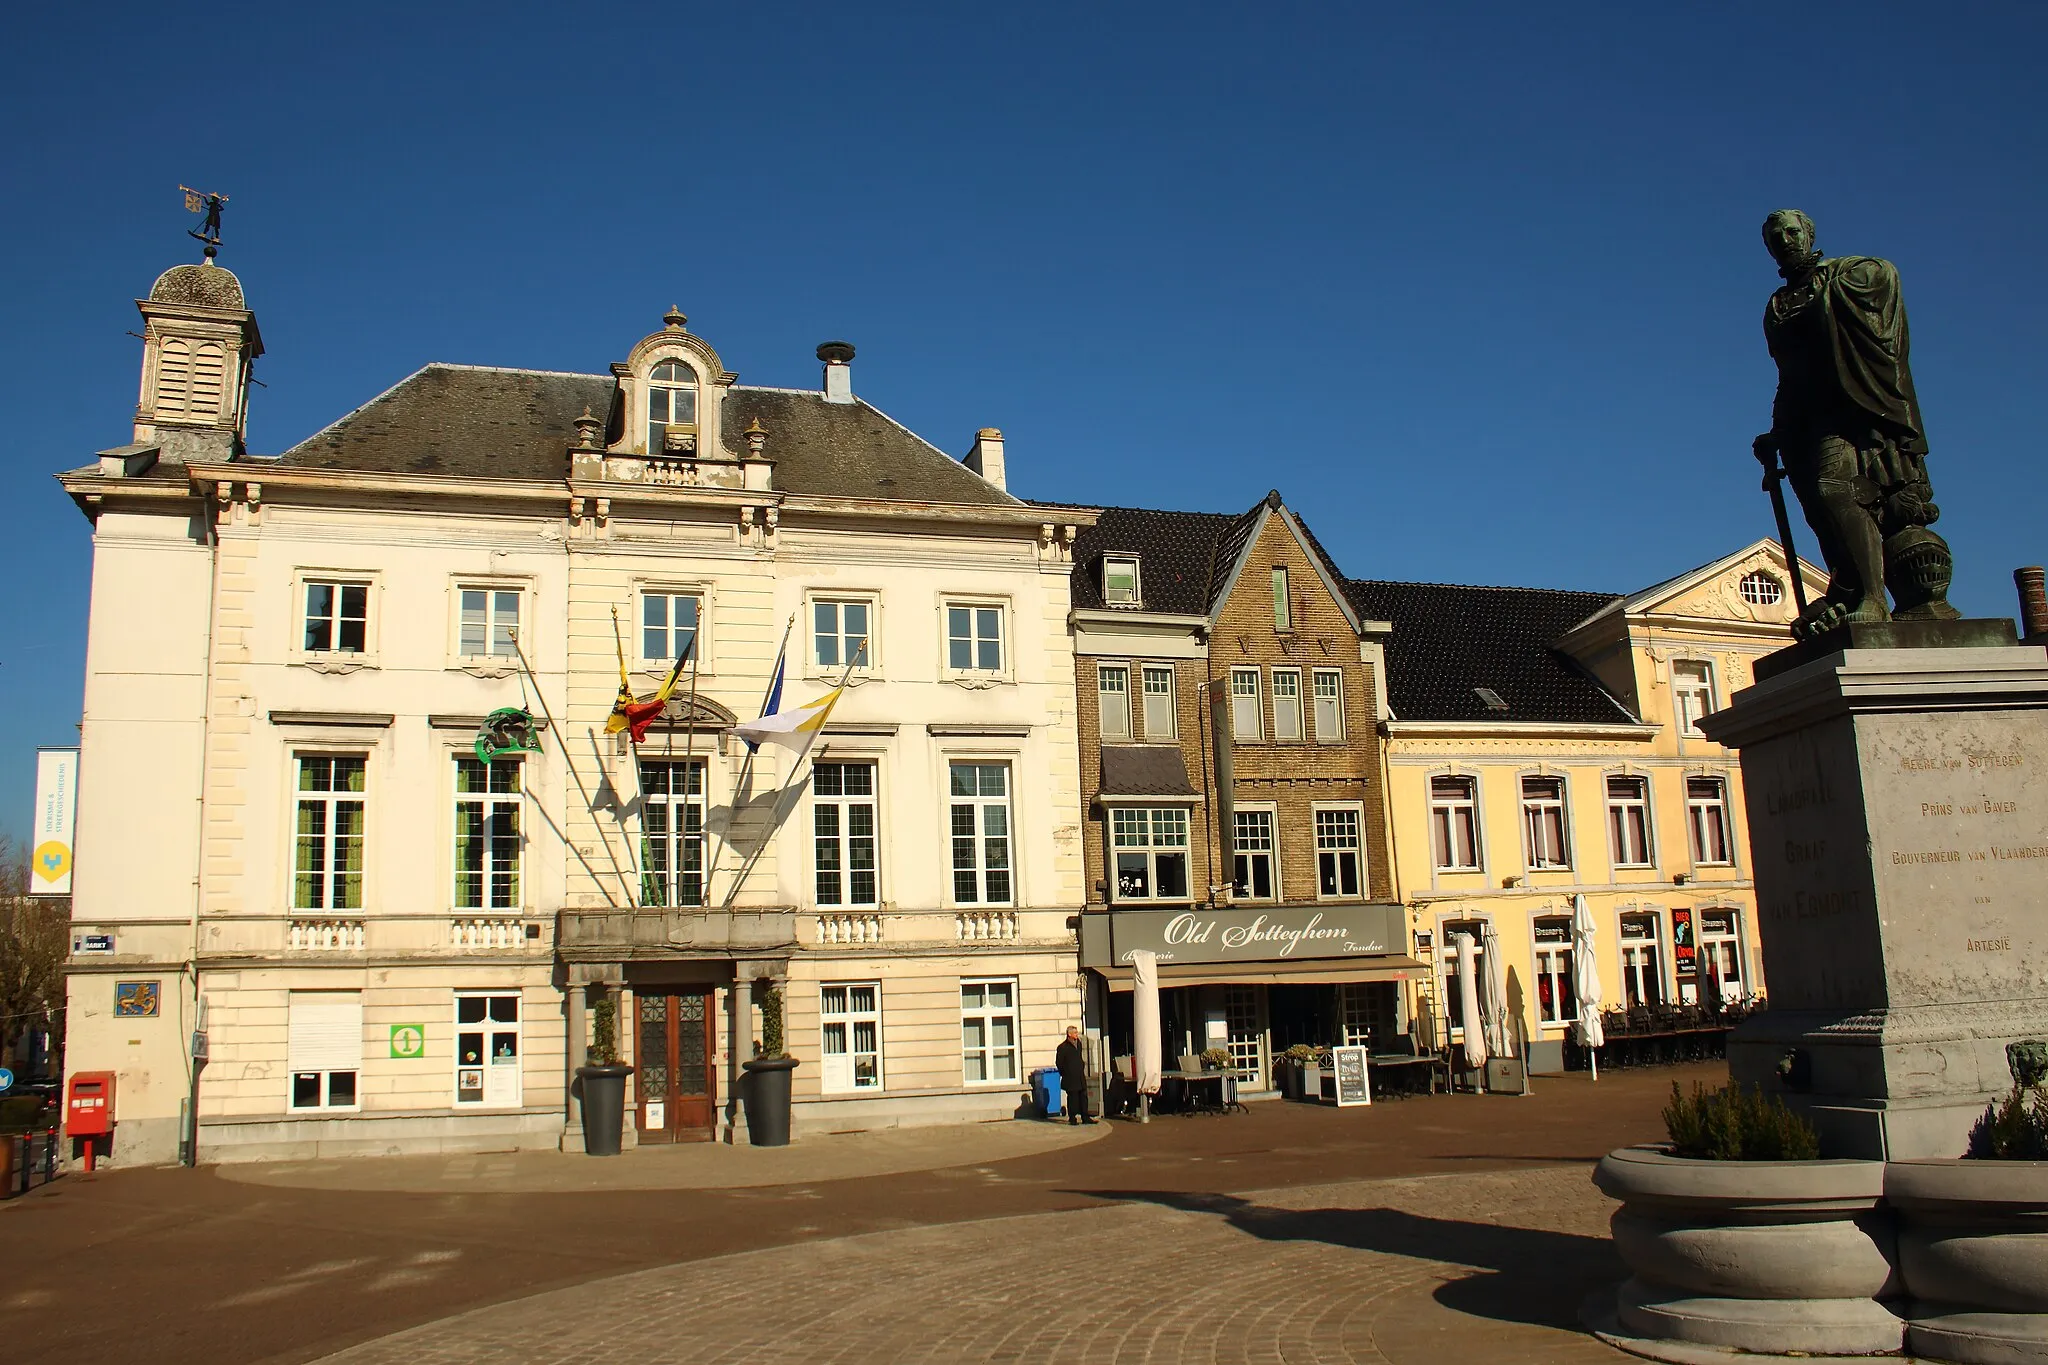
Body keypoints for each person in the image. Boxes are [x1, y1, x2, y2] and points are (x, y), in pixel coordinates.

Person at [1055, 1025, 1096, 1125]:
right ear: (1069, 1034)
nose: (1077, 1034)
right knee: (1073, 1098)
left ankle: (1085, 1117)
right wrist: (1065, 1072)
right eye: (1075, 1033)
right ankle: (1072, 1117)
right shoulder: (1062, 1047)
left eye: (1077, 1033)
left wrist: (1081, 1065)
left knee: (1083, 1096)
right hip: (1070, 1077)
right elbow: (1059, 1062)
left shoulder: (1079, 1044)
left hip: (1080, 1075)